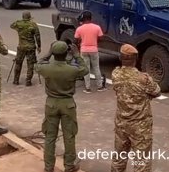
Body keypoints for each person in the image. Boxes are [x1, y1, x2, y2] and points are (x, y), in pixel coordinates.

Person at [35, 41, 89, 172]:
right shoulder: (72, 70)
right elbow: (85, 69)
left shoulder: (46, 68)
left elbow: (38, 64)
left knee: (49, 137)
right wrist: (77, 55)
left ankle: (48, 167)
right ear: (67, 53)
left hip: (51, 103)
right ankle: (69, 166)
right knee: (69, 136)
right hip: (68, 104)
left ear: (53, 54)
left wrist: (48, 53)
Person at [111, 44, 161, 172]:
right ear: (136, 59)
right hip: (140, 126)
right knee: (141, 162)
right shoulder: (143, 78)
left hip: (121, 123)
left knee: (119, 158)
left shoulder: (115, 74)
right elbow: (156, 92)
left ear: (120, 58)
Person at [74, 11, 105, 93]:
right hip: (94, 50)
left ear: (83, 18)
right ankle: (100, 86)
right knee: (96, 68)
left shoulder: (79, 28)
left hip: (84, 50)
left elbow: (76, 39)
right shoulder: (97, 27)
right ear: (91, 18)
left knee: (86, 69)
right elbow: (101, 37)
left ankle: (88, 88)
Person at [10, 11, 41, 86]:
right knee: (30, 64)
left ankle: (16, 80)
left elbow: (11, 25)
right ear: (30, 17)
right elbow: (37, 36)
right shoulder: (33, 25)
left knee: (18, 63)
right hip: (31, 47)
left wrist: (20, 24)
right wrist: (39, 46)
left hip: (21, 47)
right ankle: (28, 81)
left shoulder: (18, 23)